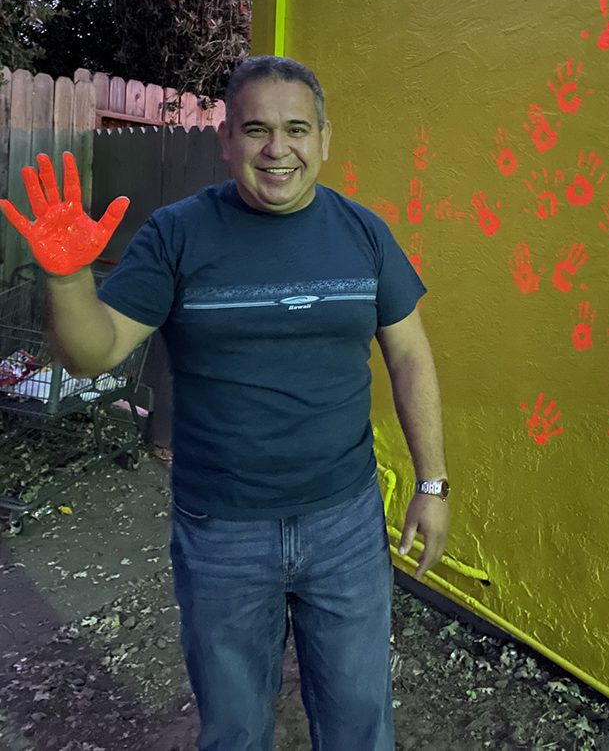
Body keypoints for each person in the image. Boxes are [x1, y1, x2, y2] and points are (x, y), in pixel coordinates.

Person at [0, 56, 449, 751]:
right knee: (236, 727)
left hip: (346, 526)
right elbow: (95, 351)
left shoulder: (364, 235)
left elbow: (411, 356)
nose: (278, 148)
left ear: (325, 138)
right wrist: (66, 277)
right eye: (257, 128)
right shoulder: (178, 235)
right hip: (224, 532)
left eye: (297, 128)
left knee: (361, 722)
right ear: (226, 138)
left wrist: (432, 482)